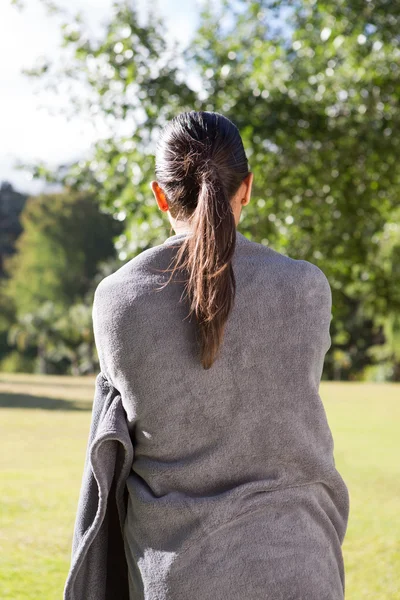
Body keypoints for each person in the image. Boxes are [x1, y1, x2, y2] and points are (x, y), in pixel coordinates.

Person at [65, 110, 350, 600]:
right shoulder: (306, 287)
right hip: (303, 568)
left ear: (160, 195)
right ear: (248, 188)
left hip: (177, 578)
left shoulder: (118, 301)